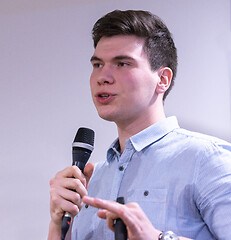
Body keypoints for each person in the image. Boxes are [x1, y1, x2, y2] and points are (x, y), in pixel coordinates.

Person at [48, 9, 231, 240]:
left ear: (162, 79)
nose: (103, 76)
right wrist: (56, 225)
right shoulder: (91, 180)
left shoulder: (206, 159)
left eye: (122, 64)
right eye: (97, 64)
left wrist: (158, 237)